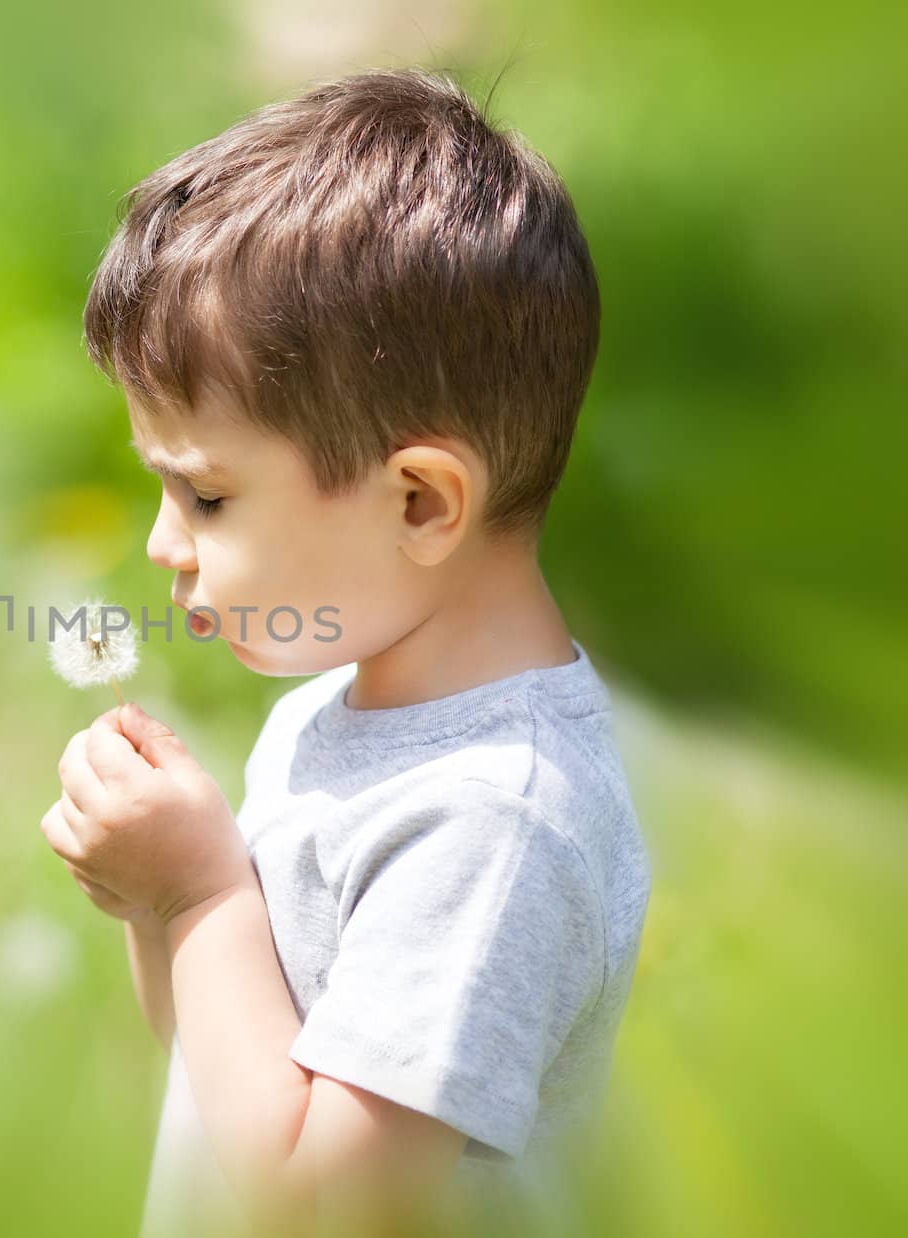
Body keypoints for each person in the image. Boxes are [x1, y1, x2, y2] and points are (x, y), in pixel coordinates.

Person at [38, 67, 652, 1238]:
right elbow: (225, 1063)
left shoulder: (489, 820)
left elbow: (323, 1209)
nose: (164, 544)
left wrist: (200, 888)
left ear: (420, 502)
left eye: (207, 496)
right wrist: (153, 901)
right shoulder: (330, 718)